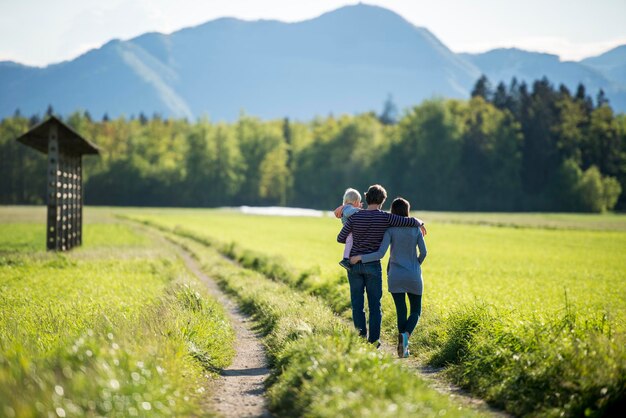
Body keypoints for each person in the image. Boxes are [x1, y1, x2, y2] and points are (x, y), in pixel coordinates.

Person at [336, 184, 426, 347]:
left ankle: (360, 338)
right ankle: (374, 340)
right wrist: (420, 223)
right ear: (382, 201)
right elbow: (407, 221)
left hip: (354, 264)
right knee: (374, 305)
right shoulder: (386, 217)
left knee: (357, 304)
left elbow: (340, 238)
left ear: (366, 198)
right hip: (372, 265)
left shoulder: (356, 217)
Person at [337, 188, 362, 271]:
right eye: (359, 203)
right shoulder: (348, 208)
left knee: (349, 243)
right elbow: (349, 213)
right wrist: (360, 210)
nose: (359, 206)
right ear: (355, 202)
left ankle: (346, 258)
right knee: (349, 243)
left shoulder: (346, 207)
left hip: (349, 230)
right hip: (349, 232)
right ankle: (345, 259)